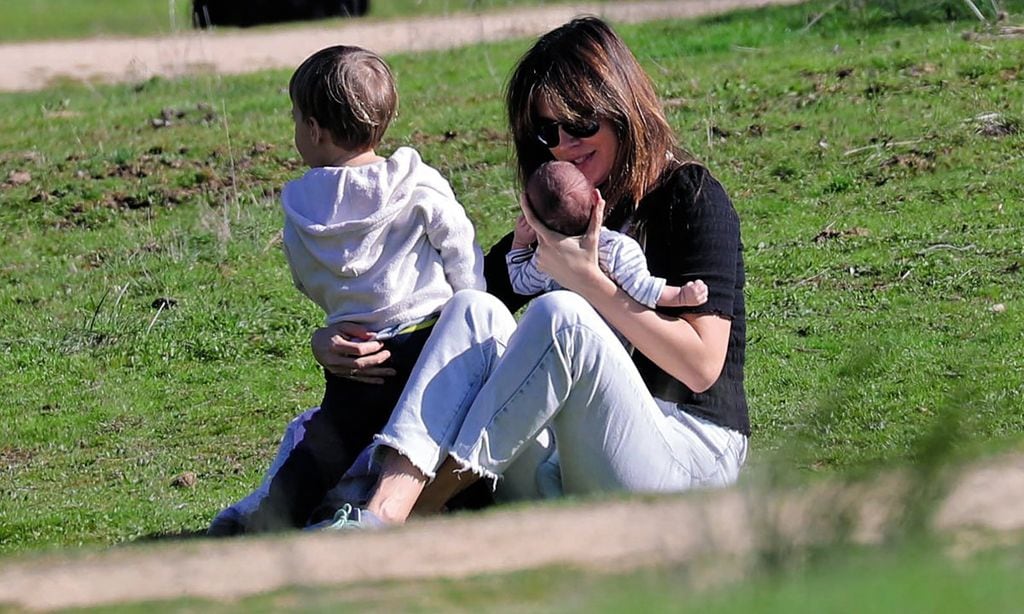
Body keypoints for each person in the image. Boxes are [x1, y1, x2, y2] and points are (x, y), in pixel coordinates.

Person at [308, 15, 750, 530]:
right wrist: (337, 347)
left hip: (687, 458)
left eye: (581, 122)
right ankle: (380, 510)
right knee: (474, 308)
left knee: (561, 315)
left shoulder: (690, 196)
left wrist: (589, 282)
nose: (563, 144)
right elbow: (450, 321)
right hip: (571, 463)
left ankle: (421, 508)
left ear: (622, 111)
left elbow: (701, 365)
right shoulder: (560, 213)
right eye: (546, 131)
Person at [210, 44, 485, 535]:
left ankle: (272, 517)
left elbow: (305, 275)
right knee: (429, 433)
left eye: (295, 119)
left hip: (356, 352)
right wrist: (471, 297)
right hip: (427, 340)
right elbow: (457, 240)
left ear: (314, 129)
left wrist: (336, 310)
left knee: (326, 444)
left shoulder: (303, 207)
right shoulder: (415, 181)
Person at [508, 160, 709, 316]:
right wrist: (681, 296)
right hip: (606, 348)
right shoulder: (616, 248)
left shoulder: (546, 259)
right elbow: (642, 288)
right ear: (597, 200)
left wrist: (520, 243)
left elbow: (520, 283)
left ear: (535, 221)